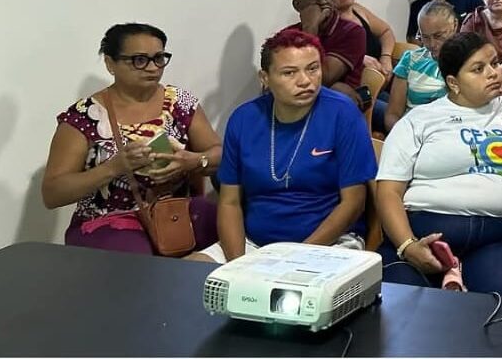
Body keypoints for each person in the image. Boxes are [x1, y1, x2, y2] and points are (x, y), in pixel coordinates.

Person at [374, 33, 502, 295]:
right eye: (478, 69)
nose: (493, 73)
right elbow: (388, 191)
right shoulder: (420, 120)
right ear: (453, 83)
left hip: (495, 238)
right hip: (424, 232)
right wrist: (407, 246)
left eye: (494, 63)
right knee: (397, 309)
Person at [194, 29, 379, 263]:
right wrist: (237, 265)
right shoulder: (244, 119)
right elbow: (230, 202)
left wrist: (291, 259)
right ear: (265, 78)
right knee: (189, 275)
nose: (305, 81)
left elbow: (353, 203)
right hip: (254, 243)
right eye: (289, 72)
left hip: (329, 243)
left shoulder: (343, 114)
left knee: (296, 292)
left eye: (313, 69)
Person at [43, 23, 220, 255]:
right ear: (110, 63)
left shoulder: (180, 102)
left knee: (231, 223)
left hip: (174, 213)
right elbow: (53, 193)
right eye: (139, 60)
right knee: (137, 266)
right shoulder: (84, 116)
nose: (152, 68)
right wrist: (114, 167)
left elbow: (219, 153)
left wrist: (194, 161)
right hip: (108, 221)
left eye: (159, 58)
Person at [288, 0, 366, 107]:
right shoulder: (287, 34)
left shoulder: (352, 31)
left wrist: (310, 29)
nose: (323, 2)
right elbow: (276, 77)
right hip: (297, 100)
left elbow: (323, 78)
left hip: (337, 103)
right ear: (297, 5)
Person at [386, 1, 458, 133]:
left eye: (438, 36)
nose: (431, 44)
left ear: (454, 26)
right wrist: (404, 135)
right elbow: (393, 114)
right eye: (424, 37)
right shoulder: (410, 60)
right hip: (413, 131)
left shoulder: (467, 61)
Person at [325, 0, 396, 80]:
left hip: (384, 74)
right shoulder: (326, 23)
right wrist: (358, 58)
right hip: (359, 84)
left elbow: (386, 32)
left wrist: (386, 57)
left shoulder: (358, 10)